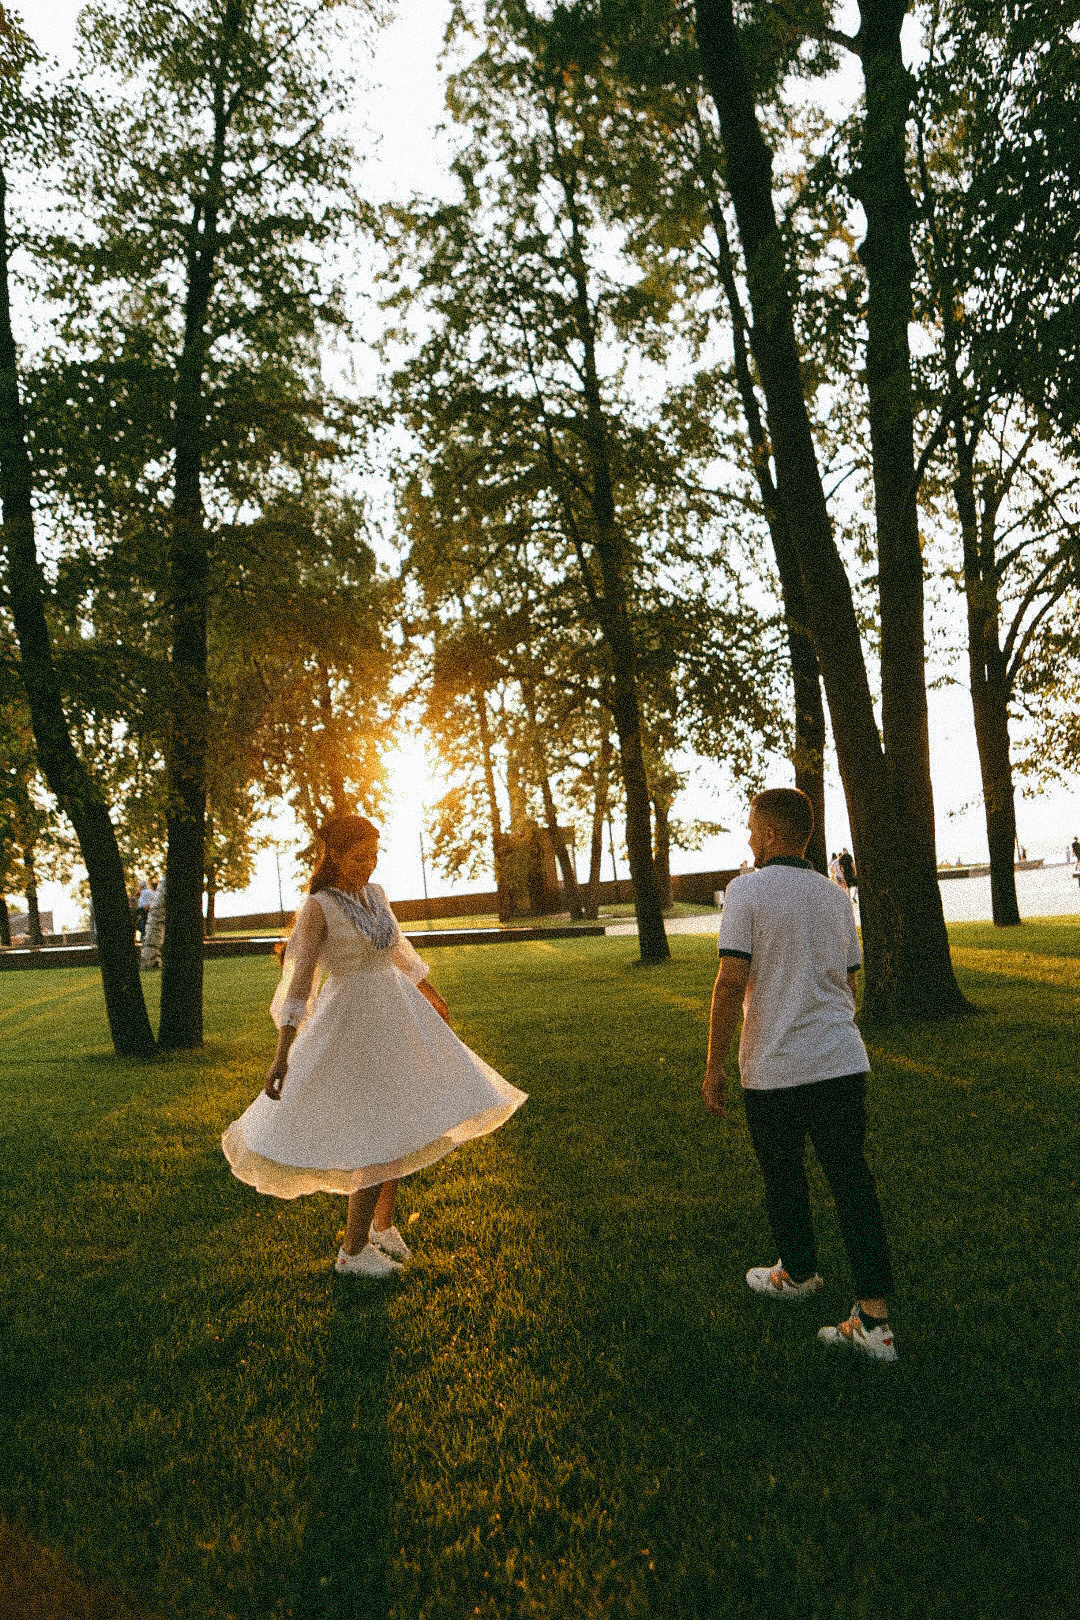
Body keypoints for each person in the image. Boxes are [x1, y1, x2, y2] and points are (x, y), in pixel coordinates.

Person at [222, 814, 527, 1279]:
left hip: (396, 1013)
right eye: (357, 856)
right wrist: (283, 1051)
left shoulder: (377, 895)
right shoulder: (318, 908)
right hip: (350, 1022)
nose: (367, 864)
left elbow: (398, 950)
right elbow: (300, 983)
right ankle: (352, 1251)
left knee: (398, 1118)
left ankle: (381, 1228)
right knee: (373, 1126)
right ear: (335, 856)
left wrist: (430, 990)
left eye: (373, 854)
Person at [701, 787, 897, 1362]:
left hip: (774, 1066)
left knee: (784, 1175)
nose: (747, 839)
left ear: (765, 834)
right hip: (840, 1061)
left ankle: (802, 1272)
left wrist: (714, 1064)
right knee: (852, 1183)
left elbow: (731, 980)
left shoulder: (746, 891)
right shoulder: (836, 896)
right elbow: (850, 983)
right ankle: (871, 1316)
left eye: (749, 829)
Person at [134, 875, 157, 941]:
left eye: (139, 885)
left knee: (141, 923)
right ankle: (142, 937)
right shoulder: (148, 891)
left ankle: (142, 937)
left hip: (144, 909)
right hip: (147, 909)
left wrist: (146, 907)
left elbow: (144, 903)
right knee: (143, 923)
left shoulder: (145, 892)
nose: (138, 887)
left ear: (141, 886)